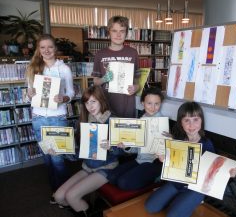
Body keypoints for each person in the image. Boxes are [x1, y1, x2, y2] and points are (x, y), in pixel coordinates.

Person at [145, 102, 236, 217]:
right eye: (187, 120)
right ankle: (178, 200)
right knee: (150, 207)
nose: (191, 125)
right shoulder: (177, 140)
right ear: (181, 123)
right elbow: (169, 161)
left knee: (172, 215)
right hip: (176, 183)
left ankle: (188, 201)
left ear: (201, 121)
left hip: (195, 189)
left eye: (195, 119)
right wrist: (163, 158)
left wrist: (229, 173)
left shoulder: (206, 144)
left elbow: (215, 169)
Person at [54, 86, 122, 217]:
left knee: (71, 196)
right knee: (59, 197)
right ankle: (83, 210)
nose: (90, 106)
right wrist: (61, 152)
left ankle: (86, 211)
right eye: (87, 102)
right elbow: (78, 154)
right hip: (88, 166)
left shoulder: (112, 120)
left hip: (107, 167)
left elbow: (126, 152)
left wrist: (112, 147)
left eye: (93, 101)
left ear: (102, 101)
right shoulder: (84, 121)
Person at [26, 34, 75, 202]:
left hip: (57, 118)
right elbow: (29, 96)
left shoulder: (64, 69)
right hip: (38, 118)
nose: (46, 50)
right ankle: (56, 191)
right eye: (42, 47)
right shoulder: (33, 68)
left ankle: (64, 195)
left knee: (58, 159)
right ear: (38, 50)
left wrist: (64, 98)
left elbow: (71, 92)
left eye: (50, 47)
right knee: (47, 159)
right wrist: (29, 93)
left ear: (55, 49)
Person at [108, 87, 165, 190]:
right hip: (140, 160)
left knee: (123, 183)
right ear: (143, 103)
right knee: (111, 177)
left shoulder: (161, 122)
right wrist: (127, 146)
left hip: (153, 163)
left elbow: (164, 148)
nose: (153, 107)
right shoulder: (142, 119)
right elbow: (137, 148)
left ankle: (156, 178)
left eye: (157, 103)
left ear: (160, 103)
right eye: (149, 103)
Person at [92, 15, 140, 118]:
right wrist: (104, 79)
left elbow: (137, 81)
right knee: (107, 131)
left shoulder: (133, 53)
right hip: (105, 104)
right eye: (114, 31)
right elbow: (95, 81)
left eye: (122, 31)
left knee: (126, 132)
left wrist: (136, 87)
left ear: (126, 33)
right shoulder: (100, 54)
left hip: (127, 104)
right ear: (109, 32)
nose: (118, 35)